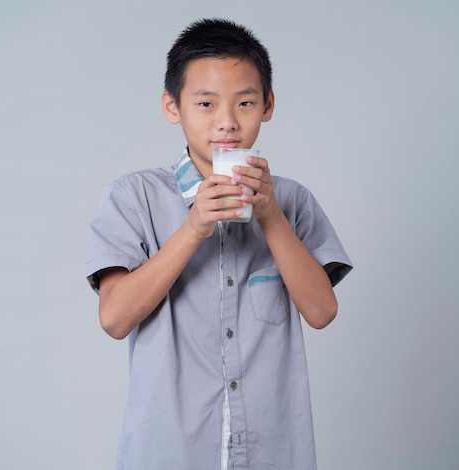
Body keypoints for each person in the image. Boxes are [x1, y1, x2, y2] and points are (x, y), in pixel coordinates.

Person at [86, 18, 353, 470]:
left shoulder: (292, 200)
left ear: (268, 105)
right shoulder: (135, 197)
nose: (227, 122)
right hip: (169, 453)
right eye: (206, 103)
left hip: (274, 452)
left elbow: (322, 312)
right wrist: (193, 227)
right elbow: (114, 319)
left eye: (245, 102)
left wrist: (269, 216)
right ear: (173, 107)